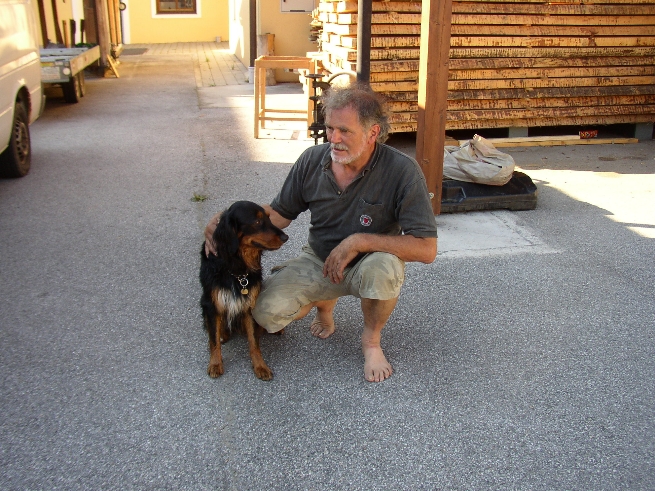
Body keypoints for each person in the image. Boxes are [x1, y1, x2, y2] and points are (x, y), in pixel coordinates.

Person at [205, 82, 437, 382]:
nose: (334, 139)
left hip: (369, 264)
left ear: (373, 133)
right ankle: (325, 303)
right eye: (329, 128)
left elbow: (427, 248)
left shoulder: (402, 171)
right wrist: (225, 220)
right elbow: (277, 215)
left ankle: (371, 342)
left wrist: (360, 241)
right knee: (265, 314)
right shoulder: (312, 160)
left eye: (344, 131)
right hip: (319, 259)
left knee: (385, 269)